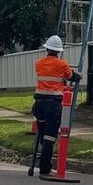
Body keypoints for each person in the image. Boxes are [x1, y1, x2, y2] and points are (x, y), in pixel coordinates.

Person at [31, 34, 73, 176]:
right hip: (54, 105)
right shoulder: (62, 64)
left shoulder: (39, 63)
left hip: (38, 105)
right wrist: (76, 75)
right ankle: (44, 168)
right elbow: (69, 76)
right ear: (59, 51)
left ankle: (42, 148)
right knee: (50, 137)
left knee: (43, 132)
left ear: (47, 49)